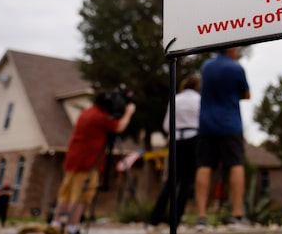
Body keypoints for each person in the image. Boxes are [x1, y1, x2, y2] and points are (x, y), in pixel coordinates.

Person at [51, 91, 136, 234]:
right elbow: (119, 127)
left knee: (66, 193)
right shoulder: (100, 117)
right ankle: (73, 227)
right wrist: (128, 112)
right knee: (80, 195)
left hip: (73, 159)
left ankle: (56, 223)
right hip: (88, 162)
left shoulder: (87, 113)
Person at [194, 46, 251, 230]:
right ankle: (236, 216)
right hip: (230, 124)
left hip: (207, 123)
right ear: (232, 49)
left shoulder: (206, 66)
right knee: (236, 164)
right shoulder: (236, 68)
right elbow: (246, 94)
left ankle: (201, 218)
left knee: (204, 166)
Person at [148, 74, 201, 229]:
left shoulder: (175, 99)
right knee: (185, 181)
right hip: (193, 138)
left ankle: (155, 219)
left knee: (171, 179)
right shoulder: (199, 100)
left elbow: (166, 125)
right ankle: (175, 220)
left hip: (176, 139)